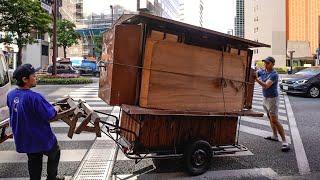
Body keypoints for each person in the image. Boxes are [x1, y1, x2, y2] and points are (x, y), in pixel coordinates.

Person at [6, 64, 64, 180]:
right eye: (33, 76)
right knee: (55, 152)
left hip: (24, 137)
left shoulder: (11, 95)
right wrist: (56, 108)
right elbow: (49, 114)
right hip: (40, 136)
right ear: (25, 79)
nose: (36, 77)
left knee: (34, 158)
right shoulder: (35, 97)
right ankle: (52, 178)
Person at [254, 57, 290, 152]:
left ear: (272, 64)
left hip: (273, 99)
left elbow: (266, 85)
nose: (265, 64)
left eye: (268, 63)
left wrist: (256, 80)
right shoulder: (263, 71)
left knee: (275, 120)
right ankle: (274, 136)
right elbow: (254, 73)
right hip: (265, 98)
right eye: (265, 63)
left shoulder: (274, 74)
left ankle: (285, 142)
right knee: (270, 118)